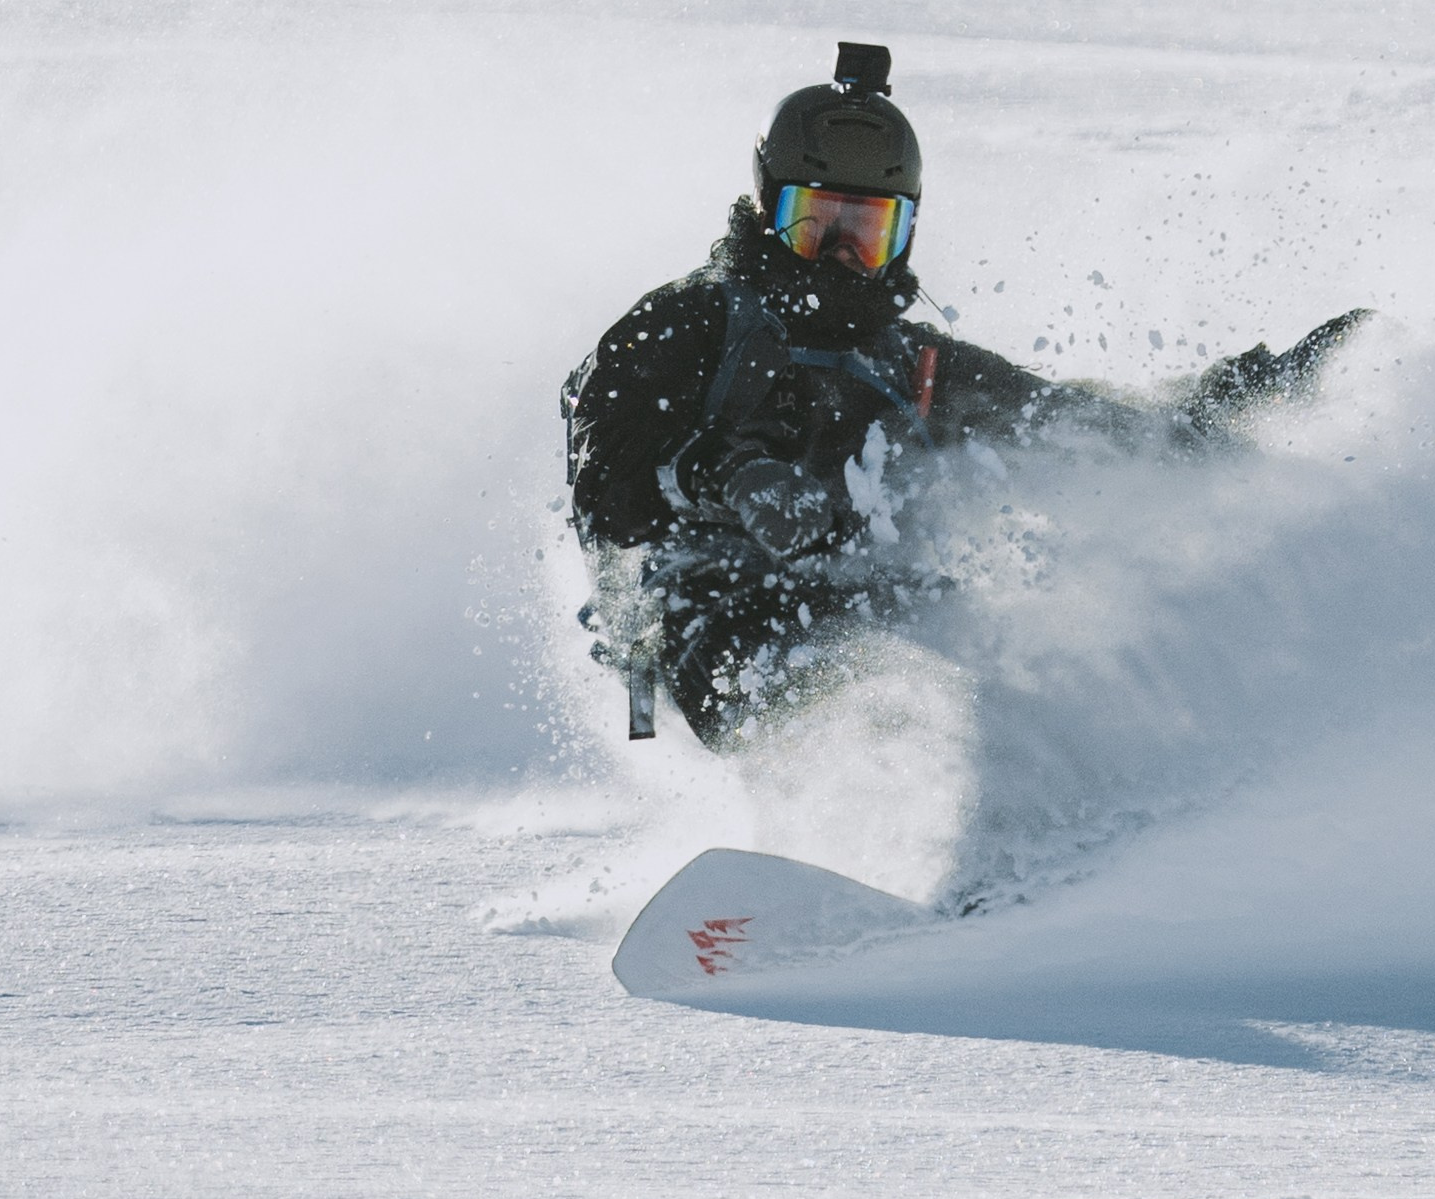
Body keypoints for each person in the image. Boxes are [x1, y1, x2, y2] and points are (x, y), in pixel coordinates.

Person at [563, 43, 1364, 746]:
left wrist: (1222, 403)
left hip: (853, 597)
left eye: (868, 231)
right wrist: (726, 477)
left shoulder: (907, 362)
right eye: (816, 225)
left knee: (993, 646)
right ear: (769, 207)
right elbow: (607, 482)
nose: (842, 256)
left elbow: (1066, 421)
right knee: (846, 673)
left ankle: (1044, 823)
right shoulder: (691, 321)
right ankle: (854, 825)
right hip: (698, 612)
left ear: (904, 232)